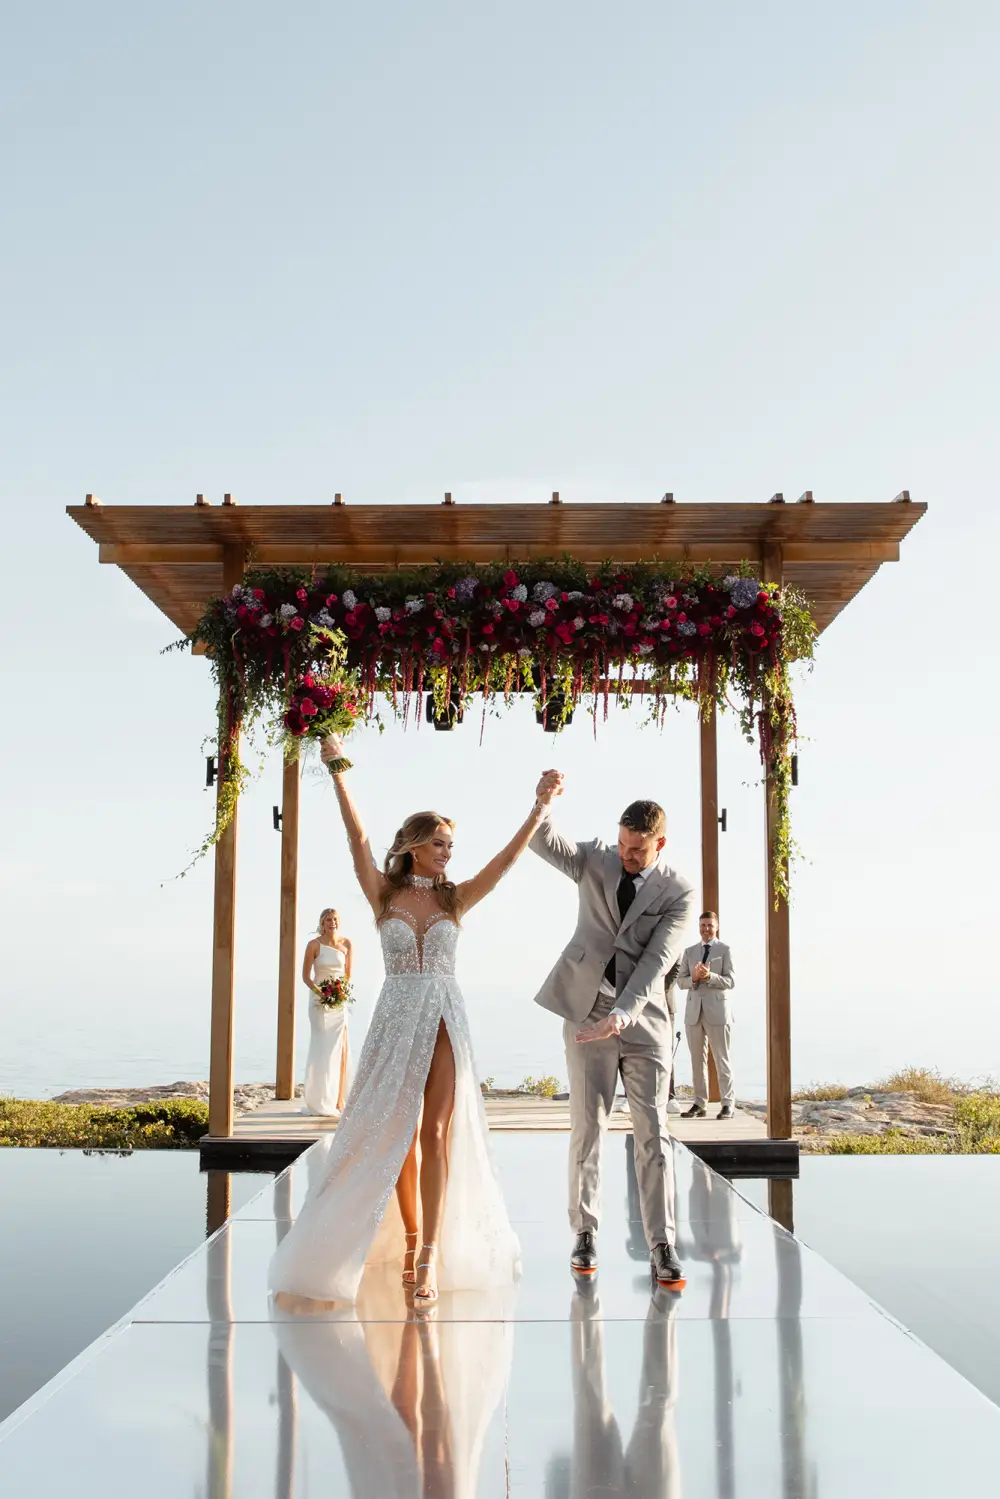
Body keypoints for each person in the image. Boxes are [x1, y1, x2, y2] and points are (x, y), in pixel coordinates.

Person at [269, 735, 561, 1308]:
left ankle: (428, 1252)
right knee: (398, 1134)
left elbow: (503, 864)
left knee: (435, 1130)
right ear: (413, 845)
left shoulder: (455, 898)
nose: (448, 851)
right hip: (396, 1014)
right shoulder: (384, 895)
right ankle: (407, 1236)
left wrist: (538, 809)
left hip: (446, 1015)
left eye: (451, 844)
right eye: (439, 843)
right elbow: (358, 838)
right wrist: (336, 769)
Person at [530, 778, 695, 1287]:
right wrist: (544, 805)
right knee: (588, 1125)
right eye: (623, 844)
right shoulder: (598, 859)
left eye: (638, 849)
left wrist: (623, 1014)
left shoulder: (680, 892)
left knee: (654, 1133)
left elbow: (657, 961)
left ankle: (661, 1244)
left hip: (644, 1022)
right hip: (585, 1011)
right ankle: (584, 1231)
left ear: (659, 845)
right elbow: (542, 842)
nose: (627, 854)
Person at [677, 911, 736, 1120]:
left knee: (722, 1059)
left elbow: (731, 981)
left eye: (710, 925)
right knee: (696, 1060)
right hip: (694, 1013)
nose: (706, 929)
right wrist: (693, 977)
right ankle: (699, 1103)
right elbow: (680, 981)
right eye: (703, 925)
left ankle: (728, 1103)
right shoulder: (689, 951)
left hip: (717, 1013)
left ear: (717, 926)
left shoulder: (725, 950)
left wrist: (709, 976)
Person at [300, 907, 352, 1118]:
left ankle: (339, 1099)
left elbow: (347, 976)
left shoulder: (346, 944)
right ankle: (318, 1098)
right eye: (328, 920)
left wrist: (338, 993)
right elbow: (306, 977)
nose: (332, 923)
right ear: (322, 923)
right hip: (319, 1002)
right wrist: (322, 993)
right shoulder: (314, 945)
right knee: (322, 1048)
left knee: (339, 1050)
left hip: (339, 1003)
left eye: (335, 919)